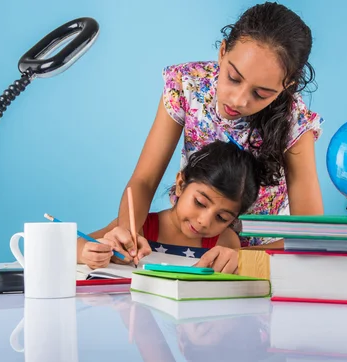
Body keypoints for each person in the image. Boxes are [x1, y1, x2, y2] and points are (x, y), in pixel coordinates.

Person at [97, 1, 324, 267]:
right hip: (191, 244)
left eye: (261, 94)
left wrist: (238, 256)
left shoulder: (293, 122)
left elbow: (311, 233)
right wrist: (130, 232)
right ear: (223, 52)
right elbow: (144, 180)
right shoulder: (187, 85)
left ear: (287, 86)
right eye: (234, 77)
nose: (239, 100)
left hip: (263, 258)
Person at [78, 140, 267, 274]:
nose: (204, 221)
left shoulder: (224, 241)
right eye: (200, 203)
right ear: (180, 184)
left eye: (222, 218)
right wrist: (88, 252)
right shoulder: (140, 227)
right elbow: (74, 246)